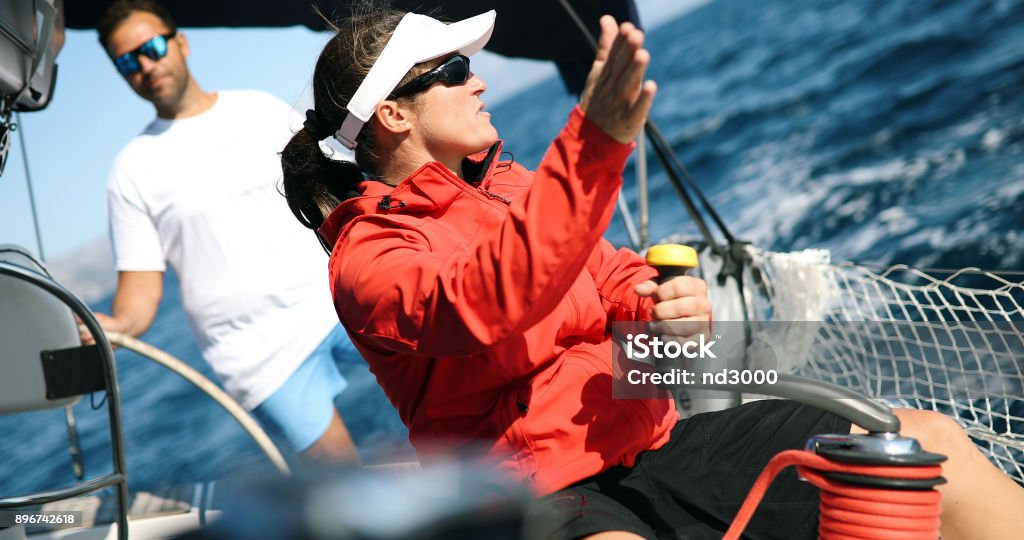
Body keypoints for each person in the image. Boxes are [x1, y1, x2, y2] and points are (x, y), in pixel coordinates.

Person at [280, 7, 1024, 539]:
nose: (479, 84)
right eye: (454, 71)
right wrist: (596, 143)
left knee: (929, 450)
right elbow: (483, 302)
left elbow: (611, 287)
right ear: (393, 116)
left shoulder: (509, 186)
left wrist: (665, 320)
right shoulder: (369, 259)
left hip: (656, 442)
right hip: (537, 499)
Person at [87, 0, 367, 463]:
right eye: (127, 60)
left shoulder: (258, 109)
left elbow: (329, 195)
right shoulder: (129, 172)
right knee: (343, 483)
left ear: (181, 43)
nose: (145, 64)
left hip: (340, 302)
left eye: (153, 46)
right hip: (258, 357)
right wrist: (106, 327)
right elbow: (137, 297)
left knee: (448, 401)